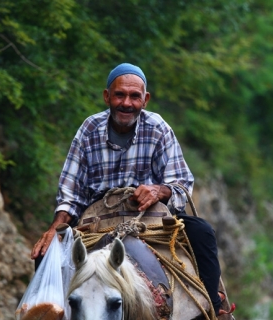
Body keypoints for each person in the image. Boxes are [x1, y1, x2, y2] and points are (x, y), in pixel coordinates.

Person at [31, 63, 229, 315]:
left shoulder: (157, 128)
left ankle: (213, 308)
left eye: (134, 96)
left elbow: (181, 184)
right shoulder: (89, 130)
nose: (126, 103)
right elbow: (71, 194)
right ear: (107, 97)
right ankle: (48, 311)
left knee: (202, 232)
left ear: (145, 100)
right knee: (44, 254)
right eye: (119, 95)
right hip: (96, 221)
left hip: (150, 220)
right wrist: (53, 229)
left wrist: (159, 191)